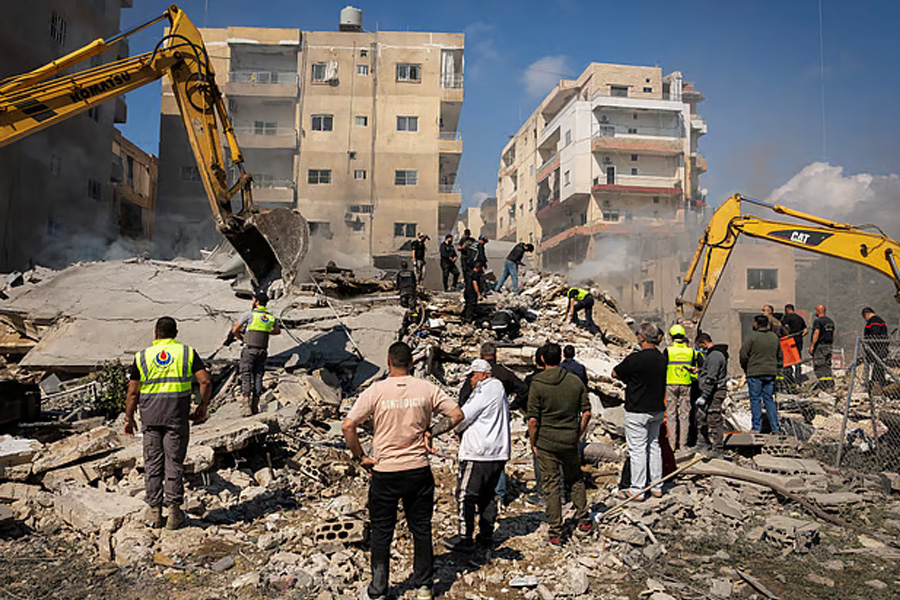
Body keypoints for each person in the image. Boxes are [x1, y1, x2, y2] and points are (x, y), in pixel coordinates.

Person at [342, 342, 464, 600]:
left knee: (382, 531)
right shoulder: (426, 388)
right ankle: (424, 586)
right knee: (421, 528)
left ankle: (378, 588)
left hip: (385, 471)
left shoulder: (376, 391)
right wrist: (433, 430)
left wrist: (361, 456)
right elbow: (456, 414)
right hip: (418, 470)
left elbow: (348, 425)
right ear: (411, 362)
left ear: (388, 362)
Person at [125, 317, 212, 530]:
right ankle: (174, 514)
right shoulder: (187, 353)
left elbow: (133, 391)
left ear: (156, 333)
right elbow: (205, 381)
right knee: (174, 462)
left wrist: (128, 418)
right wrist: (202, 406)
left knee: (153, 462)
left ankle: (155, 512)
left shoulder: (142, 356)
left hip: (150, 417)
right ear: (176, 333)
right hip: (176, 415)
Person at [442, 359, 510, 552]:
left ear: (483, 374)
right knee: (488, 495)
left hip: (479, 453)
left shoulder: (485, 389)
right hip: (497, 452)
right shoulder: (498, 388)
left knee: (466, 495)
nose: (471, 380)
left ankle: (465, 538)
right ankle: (486, 535)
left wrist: (443, 430)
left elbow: (462, 416)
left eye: (473, 375)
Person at [527, 342, 592, 545]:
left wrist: (533, 442)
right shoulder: (575, 381)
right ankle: (584, 520)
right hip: (569, 441)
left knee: (552, 485)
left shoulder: (537, 384)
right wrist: (578, 434)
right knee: (575, 479)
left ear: (543, 360)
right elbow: (587, 412)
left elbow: (533, 420)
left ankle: (555, 532)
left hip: (546, 443)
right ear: (561, 357)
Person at [458, 342, 527, 510]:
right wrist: (512, 406)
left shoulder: (479, 378)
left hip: (477, 424)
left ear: (481, 356)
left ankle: (477, 500)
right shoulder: (505, 373)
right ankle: (499, 496)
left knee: (477, 465)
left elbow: (463, 398)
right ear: (495, 355)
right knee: (497, 457)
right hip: (500, 421)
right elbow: (524, 389)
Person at [612, 323, 667, 500]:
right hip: (657, 409)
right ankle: (657, 486)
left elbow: (615, 373)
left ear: (641, 337)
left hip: (637, 410)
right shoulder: (661, 358)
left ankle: (637, 489)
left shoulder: (635, 359)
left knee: (637, 450)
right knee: (654, 446)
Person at [229, 290, 281, 416]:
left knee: (246, 373)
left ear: (256, 301)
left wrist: (243, 338)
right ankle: (255, 404)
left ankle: (246, 402)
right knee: (258, 375)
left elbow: (235, 330)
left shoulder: (249, 314)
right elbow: (277, 331)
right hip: (262, 350)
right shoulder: (270, 317)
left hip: (250, 348)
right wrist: (264, 332)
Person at [740, 314, 782, 433]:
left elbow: (743, 354)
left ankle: (756, 427)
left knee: (755, 400)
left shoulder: (752, 337)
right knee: (769, 399)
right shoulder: (774, 337)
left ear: (756, 324)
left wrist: (746, 368)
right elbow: (780, 356)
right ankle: (775, 427)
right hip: (770, 373)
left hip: (754, 373)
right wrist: (776, 368)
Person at [663, 324, 699, 451]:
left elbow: (663, 367)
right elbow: (694, 369)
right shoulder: (690, 351)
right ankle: (683, 445)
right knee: (684, 415)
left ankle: (672, 444)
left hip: (671, 383)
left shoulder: (668, 351)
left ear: (672, 336)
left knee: (671, 415)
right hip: (686, 384)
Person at [695, 332, 728, 457]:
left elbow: (711, 378)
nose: (700, 349)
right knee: (701, 417)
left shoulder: (715, 356)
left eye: (700, 346)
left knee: (714, 419)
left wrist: (705, 396)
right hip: (711, 391)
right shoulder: (712, 355)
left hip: (715, 392)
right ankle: (703, 443)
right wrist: (699, 371)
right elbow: (709, 372)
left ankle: (718, 449)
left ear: (704, 343)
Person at [861, 307, 890, 395]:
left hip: (877, 348)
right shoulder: (879, 320)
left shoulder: (874, 321)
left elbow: (874, 335)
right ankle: (880, 385)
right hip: (880, 347)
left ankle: (877, 386)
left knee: (877, 367)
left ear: (866, 314)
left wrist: (869, 346)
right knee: (878, 367)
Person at [809, 304, 835, 391]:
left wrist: (812, 346)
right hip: (829, 346)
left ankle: (823, 385)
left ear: (817, 311)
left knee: (819, 365)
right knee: (827, 365)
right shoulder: (830, 321)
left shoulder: (818, 321)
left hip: (820, 346)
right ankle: (830, 384)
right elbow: (833, 334)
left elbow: (816, 333)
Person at [782, 304, 807, 385]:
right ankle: (798, 379)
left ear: (787, 310)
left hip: (789, 342)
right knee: (798, 360)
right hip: (799, 341)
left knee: (787, 361)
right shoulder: (800, 318)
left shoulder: (786, 318)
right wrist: (799, 336)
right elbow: (805, 330)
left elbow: (783, 329)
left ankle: (788, 379)